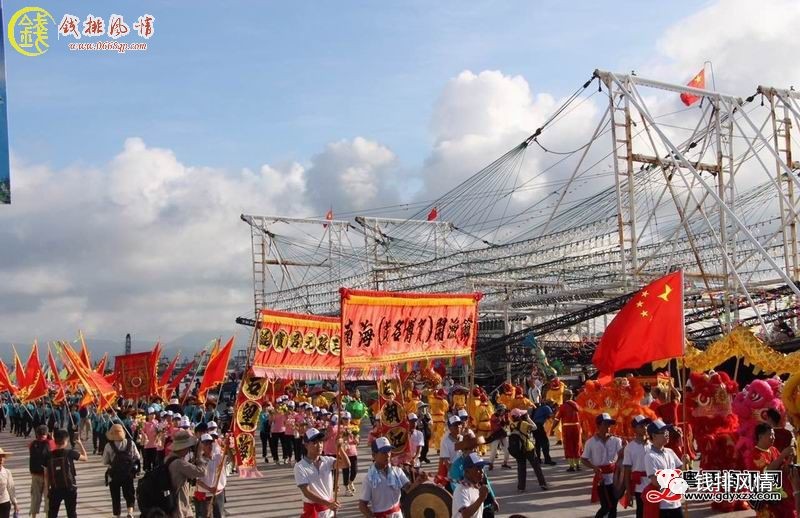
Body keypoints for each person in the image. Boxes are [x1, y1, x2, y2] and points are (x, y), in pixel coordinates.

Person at [358, 437, 428, 518]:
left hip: (398, 514)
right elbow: (362, 505)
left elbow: (408, 489)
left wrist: (418, 482)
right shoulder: (369, 478)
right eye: (383, 452)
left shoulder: (397, 471)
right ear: (374, 455)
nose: (387, 455)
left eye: (389, 451)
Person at [748, 422, 796, 518]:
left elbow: (784, 471)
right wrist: (782, 455)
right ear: (761, 436)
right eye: (770, 435)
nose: (773, 437)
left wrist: (790, 457)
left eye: (774, 434)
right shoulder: (755, 454)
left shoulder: (773, 449)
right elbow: (767, 471)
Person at [581, 413, 623, 518]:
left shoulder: (617, 440)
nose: (608, 427)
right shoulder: (590, 442)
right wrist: (594, 467)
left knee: (613, 506)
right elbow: (584, 459)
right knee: (605, 507)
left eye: (609, 424)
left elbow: (622, 456)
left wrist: (625, 449)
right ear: (598, 426)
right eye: (605, 424)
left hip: (614, 478)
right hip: (601, 479)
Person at [293, 427, 341, 518]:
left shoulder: (328, 461)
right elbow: (307, 492)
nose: (319, 445)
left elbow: (346, 464)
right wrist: (328, 503)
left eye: (320, 442)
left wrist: (340, 448)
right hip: (313, 512)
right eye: (314, 443)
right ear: (306, 445)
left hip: (329, 511)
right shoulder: (300, 466)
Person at [644, 419, 685, 518]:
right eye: (663, 432)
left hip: (676, 502)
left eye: (667, 431)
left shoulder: (670, 451)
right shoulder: (650, 456)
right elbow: (655, 482)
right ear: (653, 436)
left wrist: (684, 462)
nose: (667, 434)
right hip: (663, 505)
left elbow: (680, 468)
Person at [45, 428, 88, 518]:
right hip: (70, 488)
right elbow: (85, 458)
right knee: (71, 513)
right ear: (65, 441)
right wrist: (80, 443)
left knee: (52, 513)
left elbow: (47, 474)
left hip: (55, 488)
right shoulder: (70, 453)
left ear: (55, 441)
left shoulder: (48, 455)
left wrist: (47, 489)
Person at [166, 429, 207, 518]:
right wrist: (199, 455)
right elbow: (202, 472)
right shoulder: (179, 463)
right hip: (180, 508)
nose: (189, 449)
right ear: (183, 448)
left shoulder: (168, 459)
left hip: (171, 505)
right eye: (188, 447)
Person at [103, 423, 141, 518]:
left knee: (115, 496)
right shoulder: (130, 443)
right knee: (129, 494)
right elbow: (137, 456)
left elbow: (105, 461)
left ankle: (118, 515)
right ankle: (130, 512)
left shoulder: (108, 445)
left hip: (114, 474)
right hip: (128, 474)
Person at [508, 408, 548, 493]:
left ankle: (521, 487)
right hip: (528, 447)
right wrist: (528, 418)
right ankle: (542, 484)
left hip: (518, 450)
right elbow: (535, 427)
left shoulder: (511, 425)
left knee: (521, 468)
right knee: (536, 467)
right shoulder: (523, 423)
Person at [622, 416, 651, 518]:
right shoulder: (630, 448)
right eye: (642, 426)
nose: (645, 428)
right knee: (641, 512)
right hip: (640, 487)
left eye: (646, 425)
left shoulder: (652, 445)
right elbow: (627, 471)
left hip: (654, 484)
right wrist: (628, 492)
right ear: (634, 429)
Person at [195, 433, 227, 518]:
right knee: (206, 516)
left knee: (219, 515)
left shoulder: (218, 457)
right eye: (206, 444)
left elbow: (230, 458)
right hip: (204, 494)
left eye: (210, 443)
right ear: (201, 446)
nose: (209, 446)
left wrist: (228, 446)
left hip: (218, 493)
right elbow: (197, 480)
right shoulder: (198, 461)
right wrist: (209, 489)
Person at [451, 452, 490, 518]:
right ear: (467, 471)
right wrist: (481, 499)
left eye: (482, 468)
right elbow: (465, 514)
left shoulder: (477, 488)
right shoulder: (461, 490)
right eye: (477, 468)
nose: (482, 472)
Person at [551, 389, 582, 471]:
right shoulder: (577, 405)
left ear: (565, 396)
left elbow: (557, 419)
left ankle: (572, 466)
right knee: (577, 445)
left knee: (569, 446)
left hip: (567, 428)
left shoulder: (562, 407)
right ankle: (578, 465)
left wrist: (552, 429)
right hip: (577, 428)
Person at [29, 425, 55, 518]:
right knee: (47, 498)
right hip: (47, 474)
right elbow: (54, 449)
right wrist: (52, 438)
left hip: (35, 474)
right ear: (46, 433)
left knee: (35, 497)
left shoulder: (32, 444)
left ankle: (33, 516)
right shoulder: (50, 443)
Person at [486, 405, 511, 471]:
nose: (503, 412)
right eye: (502, 410)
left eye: (503, 410)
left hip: (502, 435)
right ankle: (491, 464)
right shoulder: (493, 416)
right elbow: (499, 424)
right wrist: (503, 417)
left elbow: (507, 423)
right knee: (494, 450)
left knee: (507, 450)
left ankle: (505, 463)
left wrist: (506, 415)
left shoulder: (502, 416)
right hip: (496, 435)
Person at [532, 401, 556, 465]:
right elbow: (552, 416)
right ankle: (547, 459)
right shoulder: (547, 407)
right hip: (539, 426)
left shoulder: (539, 408)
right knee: (545, 443)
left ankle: (538, 459)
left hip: (534, 426)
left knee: (538, 443)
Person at [0, 448, 17, 518]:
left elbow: (11, 488)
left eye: (2, 457)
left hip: (5, 502)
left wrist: (15, 503)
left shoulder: (7, 472)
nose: (0, 459)